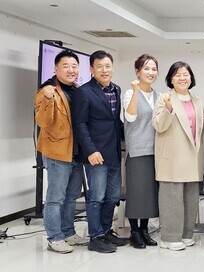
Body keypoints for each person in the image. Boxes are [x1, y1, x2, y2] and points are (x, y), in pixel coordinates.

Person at [73, 50, 128, 253]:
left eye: (107, 66)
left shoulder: (116, 89)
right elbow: (80, 124)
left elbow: (115, 121)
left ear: (112, 68)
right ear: (91, 69)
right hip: (95, 154)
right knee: (96, 196)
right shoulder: (84, 92)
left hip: (113, 152)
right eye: (99, 66)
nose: (104, 70)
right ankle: (95, 237)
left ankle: (105, 232)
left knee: (112, 196)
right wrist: (90, 150)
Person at [34, 50, 88, 254]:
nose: (71, 70)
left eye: (74, 66)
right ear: (55, 69)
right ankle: (54, 237)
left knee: (72, 196)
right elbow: (43, 122)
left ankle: (67, 232)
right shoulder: (47, 91)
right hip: (57, 152)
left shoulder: (77, 90)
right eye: (66, 66)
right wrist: (47, 99)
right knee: (56, 198)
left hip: (75, 153)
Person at [153, 61, 204, 251]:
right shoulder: (164, 98)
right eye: (178, 75)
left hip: (192, 156)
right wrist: (168, 108)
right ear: (171, 79)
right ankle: (169, 237)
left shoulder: (197, 99)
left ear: (191, 78)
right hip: (172, 157)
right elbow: (159, 126)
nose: (182, 78)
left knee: (191, 198)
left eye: (186, 74)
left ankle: (186, 234)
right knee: (171, 199)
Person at [121, 54, 160, 249]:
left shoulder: (159, 95)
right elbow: (130, 116)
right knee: (137, 192)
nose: (150, 72)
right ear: (137, 71)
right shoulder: (129, 93)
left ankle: (145, 230)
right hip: (137, 150)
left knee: (149, 192)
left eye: (153, 69)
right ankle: (134, 231)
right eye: (146, 68)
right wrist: (136, 91)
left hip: (156, 151)